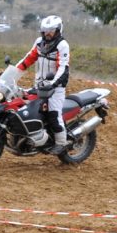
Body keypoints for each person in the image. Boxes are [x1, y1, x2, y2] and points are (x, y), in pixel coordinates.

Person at [16, 15, 70, 154]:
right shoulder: (39, 42)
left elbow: (63, 68)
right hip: (39, 87)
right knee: (24, 107)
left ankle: (61, 142)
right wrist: (12, 73)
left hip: (55, 89)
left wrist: (52, 84)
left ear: (58, 30)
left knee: (53, 115)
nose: (47, 34)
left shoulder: (62, 45)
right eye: (45, 31)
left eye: (51, 31)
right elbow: (28, 59)